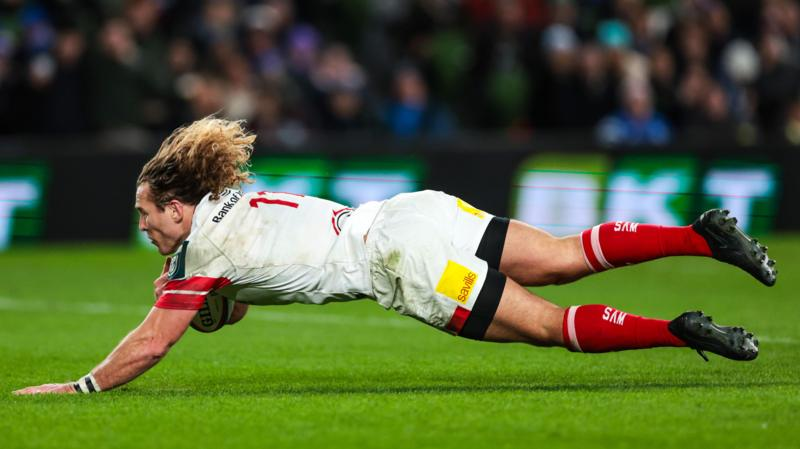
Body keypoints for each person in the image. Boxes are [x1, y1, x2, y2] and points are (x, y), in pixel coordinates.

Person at [14, 117, 776, 395]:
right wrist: (208, 302)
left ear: (177, 206)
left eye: (148, 217)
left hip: (401, 261)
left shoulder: (198, 250)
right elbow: (238, 301)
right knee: (568, 254)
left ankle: (680, 330)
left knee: (548, 324)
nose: (146, 229)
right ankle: (700, 234)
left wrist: (79, 386)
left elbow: (152, 343)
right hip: (417, 211)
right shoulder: (229, 208)